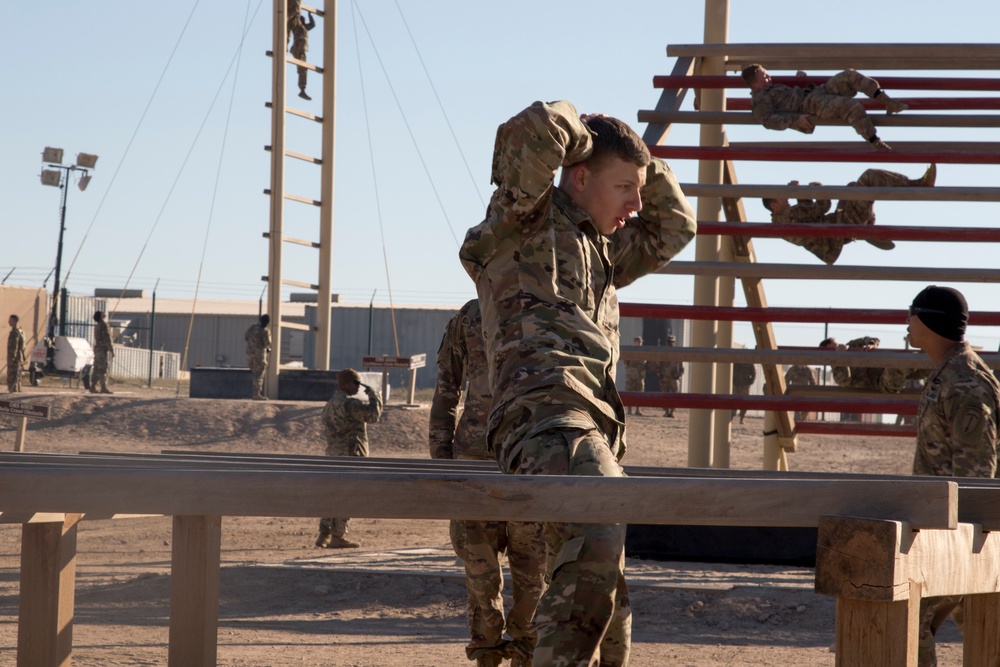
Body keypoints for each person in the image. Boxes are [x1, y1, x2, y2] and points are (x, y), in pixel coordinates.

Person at [459, 100, 696, 666]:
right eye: (624, 189)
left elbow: (676, 225)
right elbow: (533, 131)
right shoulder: (524, 217)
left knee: (609, 604)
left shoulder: (603, 248)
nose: (636, 205)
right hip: (544, 416)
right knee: (598, 522)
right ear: (580, 175)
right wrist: (585, 131)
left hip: (593, 427)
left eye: (638, 190)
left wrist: (638, 159)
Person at [429, 299, 547, 667]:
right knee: (480, 568)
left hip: (530, 457)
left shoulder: (547, 310)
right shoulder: (471, 315)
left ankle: (525, 648)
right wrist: (441, 457)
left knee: (532, 569)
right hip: (477, 460)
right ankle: (488, 650)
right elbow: (448, 385)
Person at [906, 285, 999, 667]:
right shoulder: (950, 373)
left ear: (927, 321)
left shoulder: (964, 383)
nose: (907, 321)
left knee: (908, 624)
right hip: (944, 529)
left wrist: (961, 551)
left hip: (957, 536)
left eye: (911, 313)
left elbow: (978, 472)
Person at [762, 165, 936, 265]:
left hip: (836, 230)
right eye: (780, 194)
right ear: (774, 205)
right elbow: (823, 206)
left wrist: (802, 194)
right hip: (838, 228)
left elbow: (810, 215)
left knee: (852, 187)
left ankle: (867, 228)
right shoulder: (788, 216)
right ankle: (918, 185)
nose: (784, 193)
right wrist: (815, 188)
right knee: (868, 177)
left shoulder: (782, 221)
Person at [740, 64, 907, 149]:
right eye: (764, 73)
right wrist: (795, 120)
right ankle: (876, 142)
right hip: (810, 105)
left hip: (817, 92)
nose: (768, 75)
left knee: (848, 75)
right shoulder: (759, 99)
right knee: (850, 106)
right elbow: (768, 120)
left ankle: (887, 101)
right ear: (755, 79)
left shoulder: (771, 88)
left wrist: (800, 80)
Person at [316, 368, 383, 549]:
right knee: (348, 495)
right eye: (356, 383)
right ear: (347, 384)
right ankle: (338, 536)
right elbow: (373, 416)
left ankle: (325, 531)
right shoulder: (350, 404)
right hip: (351, 456)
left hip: (333, 455)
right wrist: (374, 396)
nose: (357, 387)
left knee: (332, 493)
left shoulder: (330, 404)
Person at [820, 335, 926, 393]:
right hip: (884, 382)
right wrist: (841, 357)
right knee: (904, 361)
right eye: (834, 349)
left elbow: (871, 339)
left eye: (837, 345)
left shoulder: (851, 346)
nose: (839, 347)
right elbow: (845, 381)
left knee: (928, 365)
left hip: (892, 370)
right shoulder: (837, 371)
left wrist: (871, 344)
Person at [287, 0, 316, 100]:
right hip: (298, 47)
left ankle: (302, 89)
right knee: (302, 68)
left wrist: (310, 14)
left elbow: (312, 24)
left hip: (302, 48)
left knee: (303, 68)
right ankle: (302, 88)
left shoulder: (304, 28)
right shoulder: (297, 26)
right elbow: (295, 15)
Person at [651, 335, 684, 418]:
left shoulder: (677, 353)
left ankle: (672, 412)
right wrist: (659, 374)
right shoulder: (663, 353)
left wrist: (679, 375)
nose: (671, 344)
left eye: (672, 342)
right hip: (665, 378)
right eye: (669, 342)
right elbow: (657, 365)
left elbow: (681, 366)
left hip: (674, 378)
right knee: (664, 395)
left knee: (674, 395)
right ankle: (666, 411)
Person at [244, 315, 272, 401]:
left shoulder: (252, 327)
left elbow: (245, 337)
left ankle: (255, 393)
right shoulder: (265, 330)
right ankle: (256, 394)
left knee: (254, 373)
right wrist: (268, 349)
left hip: (250, 352)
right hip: (259, 354)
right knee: (259, 374)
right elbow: (267, 343)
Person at [90, 311, 114, 395]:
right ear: (100, 316)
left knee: (96, 368)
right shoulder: (104, 325)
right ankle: (103, 387)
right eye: (102, 313)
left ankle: (93, 386)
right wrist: (111, 349)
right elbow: (107, 338)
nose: (104, 314)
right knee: (103, 368)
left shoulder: (97, 326)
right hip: (103, 349)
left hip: (97, 349)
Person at [624, 336, 646, 416]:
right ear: (634, 342)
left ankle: (638, 409)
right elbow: (626, 362)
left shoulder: (643, 352)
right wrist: (630, 370)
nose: (639, 343)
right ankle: (629, 409)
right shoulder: (630, 351)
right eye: (637, 342)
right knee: (629, 391)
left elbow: (645, 363)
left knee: (639, 392)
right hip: (631, 375)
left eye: (640, 342)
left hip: (640, 376)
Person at [7, 315, 26, 393]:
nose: (9, 321)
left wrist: (11, 359)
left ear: (14, 321)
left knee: (12, 378)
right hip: (19, 358)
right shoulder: (20, 331)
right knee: (17, 378)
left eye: (10, 320)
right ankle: (17, 392)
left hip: (14, 359)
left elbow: (14, 347)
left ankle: (13, 393)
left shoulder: (14, 333)